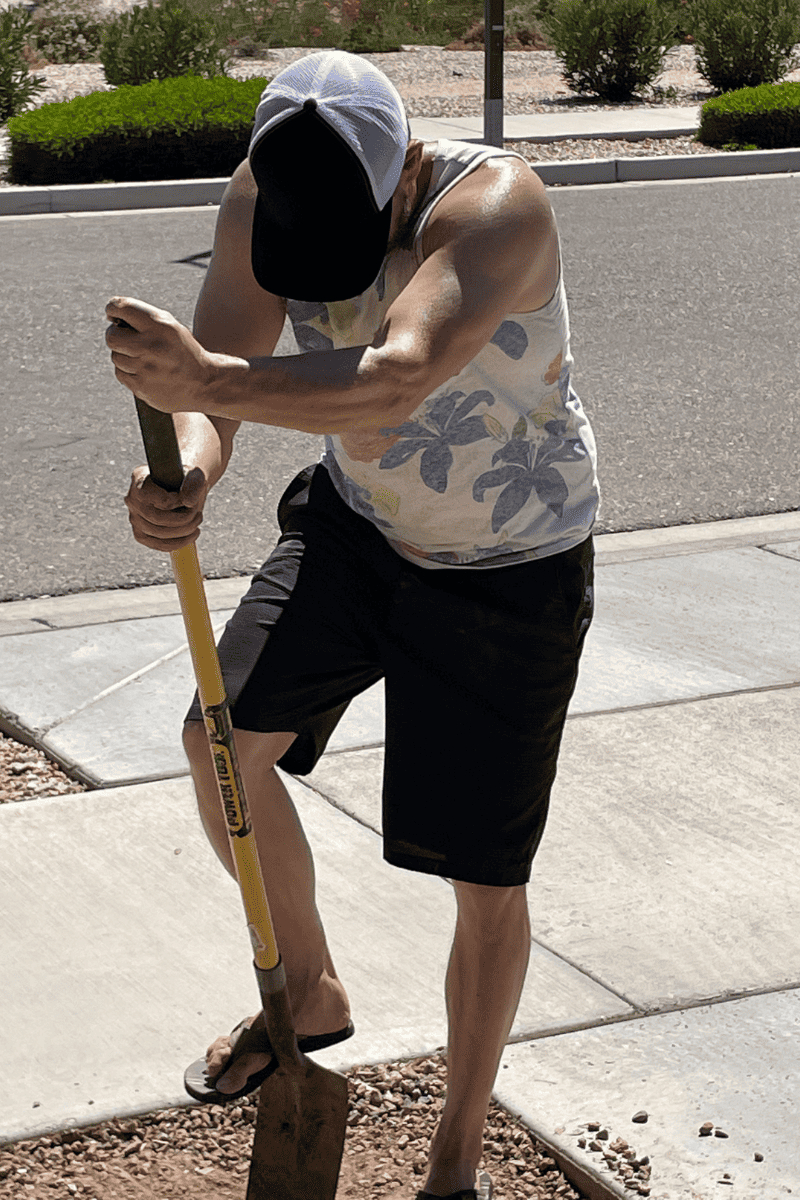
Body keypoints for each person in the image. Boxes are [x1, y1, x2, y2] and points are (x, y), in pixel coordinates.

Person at [106, 49, 598, 1200]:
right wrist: (185, 471)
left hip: (507, 565)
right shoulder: (263, 186)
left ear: (401, 170)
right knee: (220, 739)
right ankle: (311, 993)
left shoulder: (493, 209)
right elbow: (225, 375)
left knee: (483, 879)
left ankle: (453, 1161)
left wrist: (204, 387)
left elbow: (391, 377)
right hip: (355, 528)